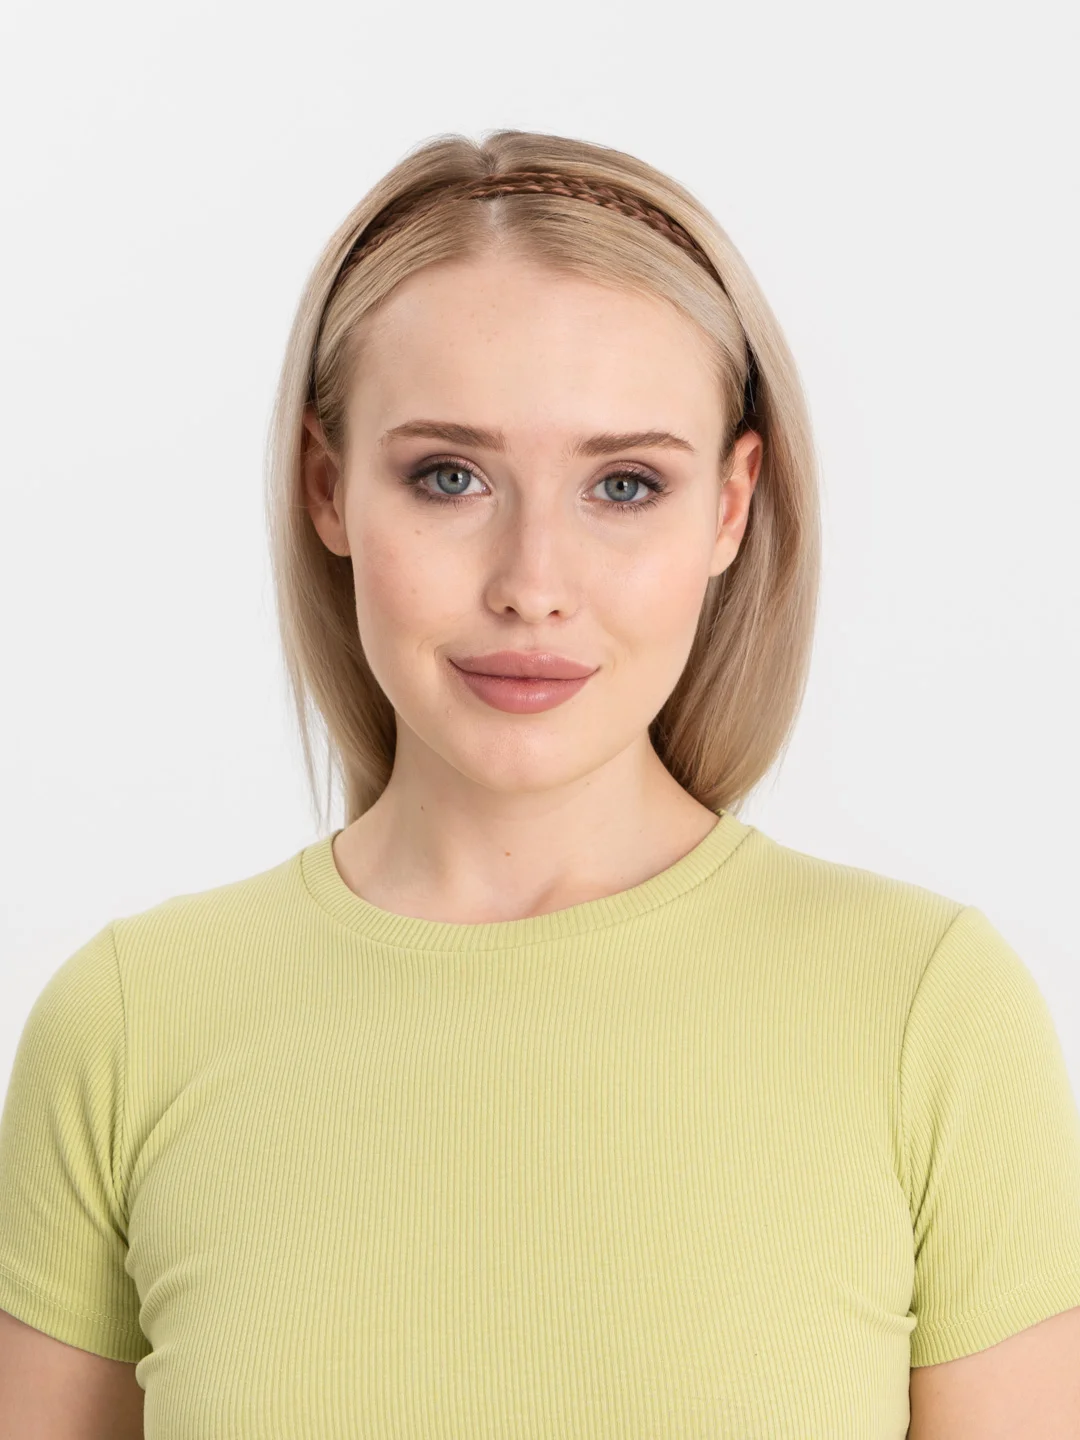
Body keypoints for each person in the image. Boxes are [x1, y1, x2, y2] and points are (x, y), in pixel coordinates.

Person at [2, 128, 1079, 1440]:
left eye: (624, 484)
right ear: (328, 489)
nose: (533, 583)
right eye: (449, 477)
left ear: (730, 507)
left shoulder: (930, 1015)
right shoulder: (127, 1028)